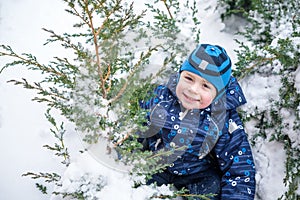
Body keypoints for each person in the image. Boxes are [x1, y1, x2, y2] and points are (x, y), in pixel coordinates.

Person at [138, 44, 256, 199]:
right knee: (135, 181)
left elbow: (239, 165)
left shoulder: (222, 119)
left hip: (198, 173)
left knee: (211, 188)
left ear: (219, 94)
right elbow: (134, 121)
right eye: (188, 78)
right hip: (157, 164)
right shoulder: (161, 98)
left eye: (205, 86)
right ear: (180, 75)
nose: (193, 89)